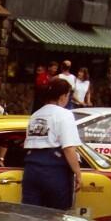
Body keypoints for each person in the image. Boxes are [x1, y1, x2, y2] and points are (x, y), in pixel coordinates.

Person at [21, 79, 83, 210]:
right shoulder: (65, 114)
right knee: (56, 217)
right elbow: (68, 148)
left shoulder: (35, 115)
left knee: (29, 215)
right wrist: (78, 173)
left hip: (31, 169)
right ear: (62, 96)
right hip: (54, 170)